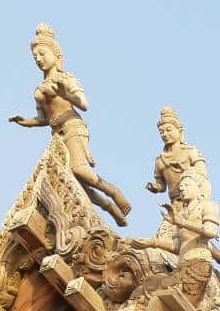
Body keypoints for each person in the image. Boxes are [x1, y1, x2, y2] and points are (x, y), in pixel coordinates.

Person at [8, 24, 131, 225]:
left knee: (79, 169)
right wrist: (26, 122)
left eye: (42, 54)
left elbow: (84, 104)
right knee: (74, 183)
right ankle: (110, 209)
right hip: (57, 135)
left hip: (73, 127)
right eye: (35, 57)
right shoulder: (39, 89)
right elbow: (44, 118)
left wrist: (67, 94)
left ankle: (114, 192)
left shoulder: (65, 79)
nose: (39, 59)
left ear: (55, 54)